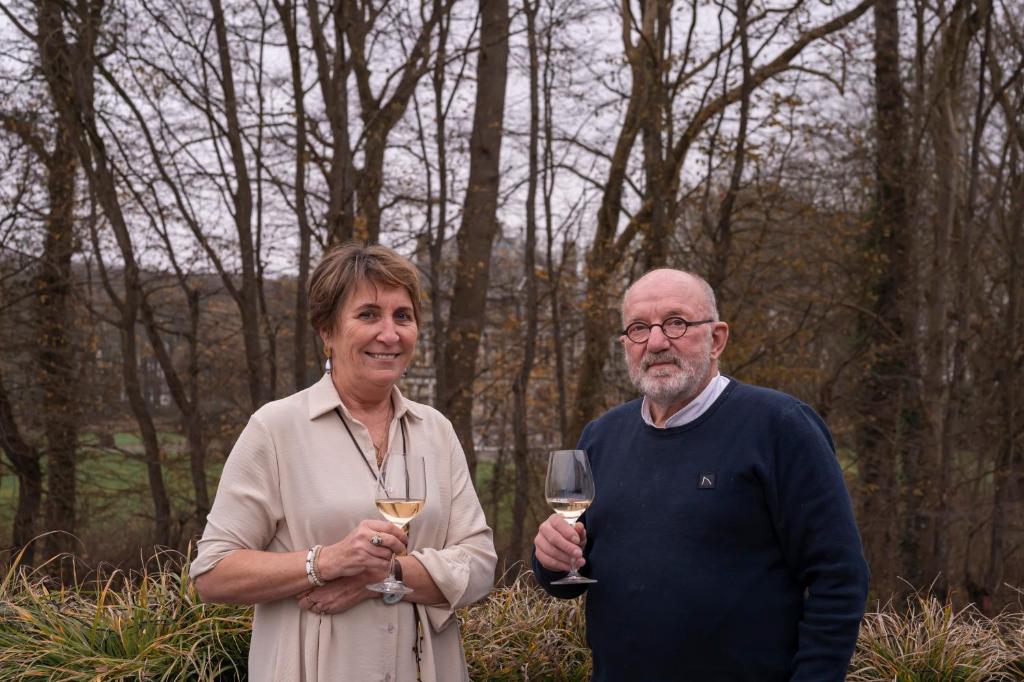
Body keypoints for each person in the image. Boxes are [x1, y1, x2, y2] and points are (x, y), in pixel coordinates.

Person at [533, 268, 869, 681]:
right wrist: (549, 560)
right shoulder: (601, 436)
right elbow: (571, 575)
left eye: (676, 322)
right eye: (639, 328)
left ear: (717, 338)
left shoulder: (780, 426)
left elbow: (839, 575)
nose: (656, 342)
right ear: (626, 344)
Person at [191, 243, 496, 681]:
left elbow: (481, 565)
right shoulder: (276, 428)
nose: (389, 334)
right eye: (368, 314)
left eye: (402, 316)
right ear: (326, 330)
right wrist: (325, 563)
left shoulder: (436, 430)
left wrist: (386, 574)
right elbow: (212, 573)